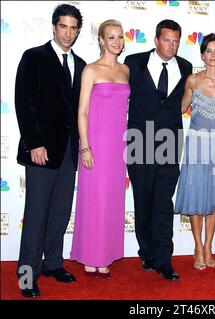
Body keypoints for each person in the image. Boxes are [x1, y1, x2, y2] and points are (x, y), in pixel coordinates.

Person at [14, 4, 85, 298]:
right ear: (54, 27)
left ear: (78, 31)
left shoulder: (81, 64)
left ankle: (53, 263)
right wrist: (34, 143)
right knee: (36, 214)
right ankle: (27, 274)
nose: (68, 33)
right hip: (41, 151)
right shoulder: (34, 57)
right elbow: (23, 102)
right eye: (63, 27)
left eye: (73, 28)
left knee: (59, 211)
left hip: (69, 151)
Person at [124, 20, 192, 281]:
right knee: (143, 200)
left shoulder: (185, 67)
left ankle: (165, 260)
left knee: (163, 201)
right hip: (139, 140)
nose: (171, 45)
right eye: (167, 40)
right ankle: (148, 254)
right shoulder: (132, 62)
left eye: (175, 41)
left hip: (170, 141)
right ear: (156, 40)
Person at [70, 20, 130, 279]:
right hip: (95, 142)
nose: (116, 42)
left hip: (119, 144)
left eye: (120, 37)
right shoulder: (90, 70)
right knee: (93, 199)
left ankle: (105, 255)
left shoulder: (126, 70)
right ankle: (90, 255)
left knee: (112, 201)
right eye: (111, 37)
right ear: (102, 40)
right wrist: (85, 146)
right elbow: (81, 111)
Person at [175, 33, 215, 270]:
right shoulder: (192, 80)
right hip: (197, 144)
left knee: (214, 200)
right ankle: (197, 247)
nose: (213, 55)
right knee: (195, 198)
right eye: (208, 51)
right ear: (202, 54)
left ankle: (209, 246)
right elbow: (179, 108)